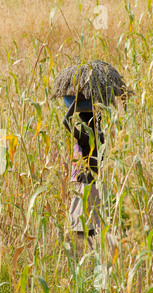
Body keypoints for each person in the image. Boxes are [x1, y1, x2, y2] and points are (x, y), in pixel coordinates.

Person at [62, 96, 105, 241]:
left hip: (86, 186)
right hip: (96, 185)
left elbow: (65, 121)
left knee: (84, 229)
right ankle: (93, 255)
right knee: (93, 228)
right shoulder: (100, 136)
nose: (80, 126)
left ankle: (91, 255)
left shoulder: (87, 137)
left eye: (81, 123)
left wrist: (75, 103)